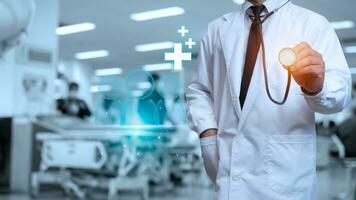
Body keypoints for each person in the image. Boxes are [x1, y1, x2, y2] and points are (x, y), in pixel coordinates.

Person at [186, 0, 351, 199]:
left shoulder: (313, 24)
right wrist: (207, 133)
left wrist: (317, 86)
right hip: (229, 173)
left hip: (287, 176)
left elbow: (341, 96)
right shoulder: (218, 29)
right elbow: (199, 90)